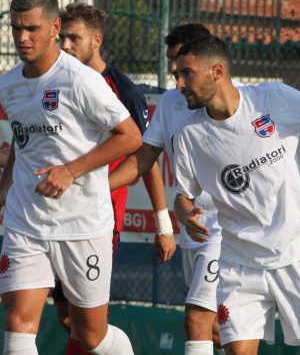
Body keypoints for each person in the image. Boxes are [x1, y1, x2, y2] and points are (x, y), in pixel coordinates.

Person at [0, 2, 177, 355]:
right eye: (16, 28)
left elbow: (135, 144)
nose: (22, 37)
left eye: (32, 29)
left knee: (89, 334)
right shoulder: (7, 84)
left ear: (52, 27)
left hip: (84, 223)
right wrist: (2, 189)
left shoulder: (89, 82)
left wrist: (72, 171)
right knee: (19, 325)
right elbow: (27, 142)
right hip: (27, 223)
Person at [170, 34, 300, 355]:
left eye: (187, 74)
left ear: (217, 71)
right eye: (177, 76)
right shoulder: (188, 134)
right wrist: (186, 216)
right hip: (238, 262)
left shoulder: (273, 99)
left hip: (295, 252)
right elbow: (183, 195)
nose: (180, 83)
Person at [109, 23, 230, 355]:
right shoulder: (170, 104)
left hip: (227, 233)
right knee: (221, 329)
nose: (177, 77)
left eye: (183, 66)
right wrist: (93, 186)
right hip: (193, 229)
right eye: (172, 65)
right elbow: (144, 159)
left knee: (196, 320)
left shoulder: (243, 100)